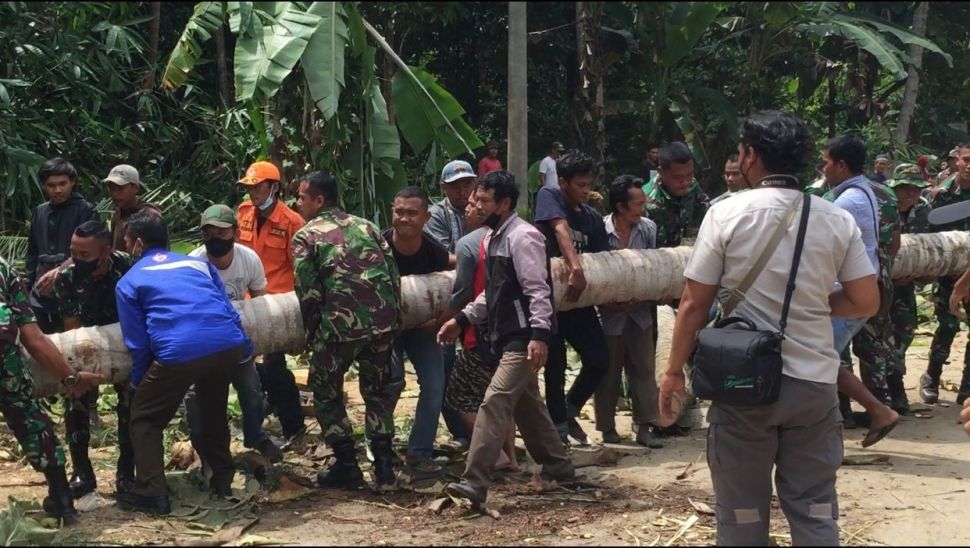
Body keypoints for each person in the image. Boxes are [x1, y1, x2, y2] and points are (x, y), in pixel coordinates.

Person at [659, 110, 879, 546]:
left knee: (741, 514)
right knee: (816, 511)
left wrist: (671, 372)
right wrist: (811, 306)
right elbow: (865, 301)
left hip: (742, 385)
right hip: (814, 387)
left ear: (751, 156)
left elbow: (693, 304)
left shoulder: (725, 214)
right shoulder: (837, 219)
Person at [438, 170, 575, 505]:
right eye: (476, 200)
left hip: (524, 337)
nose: (477, 206)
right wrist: (462, 318)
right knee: (529, 409)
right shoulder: (492, 237)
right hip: (506, 337)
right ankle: (560, 468)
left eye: (484, 201)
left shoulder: (522, 237)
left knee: (495, 400)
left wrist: (540, 335)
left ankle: (475, 481)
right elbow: (492, 294)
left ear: (504, 203)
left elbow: (538, 291)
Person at [115, 212, 252, 515]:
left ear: (138, 244)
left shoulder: (129, 281)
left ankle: (152, 492)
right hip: (226, 345)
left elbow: (137, 343)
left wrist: (138, 384)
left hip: (179, 352)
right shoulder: (199, 264)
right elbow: (227, 309)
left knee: (144, 419)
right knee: (213, 410)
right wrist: (244, 348)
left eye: (126, 242)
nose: (126, 248)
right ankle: (222, 479)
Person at [291, 171, 401, 491]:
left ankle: (347, 465)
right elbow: (392, 273)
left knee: (325, 390)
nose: (298, 203)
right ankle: (383, 470)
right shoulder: (366, 225)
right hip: (382, 322)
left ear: (319, 200)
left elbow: (308, 293)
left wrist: (313, 335)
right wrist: (393, 319)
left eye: (301, 197)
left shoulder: (306, 236)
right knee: (377, 391)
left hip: (340, 327)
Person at [1, 254, 102, 524]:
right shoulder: (2, 269)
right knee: (33, 425)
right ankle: (62, 500)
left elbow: (34, 339)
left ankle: (62, 500)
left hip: (7, 373)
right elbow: (33, 338)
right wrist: (70, 378)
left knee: (32, 424)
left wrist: (70, 377)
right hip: (7, 371)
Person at [185, 205, 283, 463]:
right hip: (204, 343)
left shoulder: (249, 259)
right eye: (209, 233)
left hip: (238, 340)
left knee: (251, 389)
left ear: (235, 233)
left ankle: (255, 436)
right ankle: (207, 451)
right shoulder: (195, 264)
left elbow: (261, 304)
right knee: (199, 399)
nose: (215, 238)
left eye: (221, 232)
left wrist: (257, 345)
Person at [820, 135, 899, 443]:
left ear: (841, 164)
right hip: (859, 290)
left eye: (826, 162)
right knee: (823, 358)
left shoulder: (847, 202)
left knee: (819, 360)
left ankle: (874, 413)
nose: (823, 169)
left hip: (848, 295)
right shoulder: (863, 191)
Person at [52, 221, 135, 498]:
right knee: (75, 404)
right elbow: (72, 330)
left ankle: (127, 474)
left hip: (125, 345)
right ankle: (82, 473)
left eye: (84, 255)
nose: (76, 260)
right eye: (73, 253)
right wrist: (77, 373)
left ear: (106, 251)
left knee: (130, 410)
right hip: (85, 347)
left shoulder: (129, 268)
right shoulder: (66, 278)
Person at [534, 150, 611, 446]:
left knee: (599, 359)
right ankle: (558, 432)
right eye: (580, 185)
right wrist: (574, 266)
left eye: (589, 183)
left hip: (578, 301)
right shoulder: (548, 196)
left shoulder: (591, 217)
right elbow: (559, 227)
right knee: (555, 368)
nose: (586, 190)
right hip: (551, 300)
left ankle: (570, 407)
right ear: (563, 183)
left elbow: (605, 261)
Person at [442, 191, 518, 472]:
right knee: (499, 400)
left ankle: (495, 454)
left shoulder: (467, 244)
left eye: (476, 204)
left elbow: (462, 293)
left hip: (478, 331)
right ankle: (510, 457)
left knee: (460, 396)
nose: (469, 209)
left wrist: (445, 320)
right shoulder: (513, 235)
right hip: (509, 331)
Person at [235, 161, 307, 445]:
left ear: (273, 187)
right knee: (247, 364)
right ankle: (269, 405)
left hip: (277, 306)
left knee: (274, 366)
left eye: (257, 187)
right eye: (248, 187)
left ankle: (293, 425)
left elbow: (300, 269)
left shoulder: (292, 222)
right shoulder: (243, 214)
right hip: (247, 303)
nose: (252, 192)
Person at [383, 186, 451, 475]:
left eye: (412, 213)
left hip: (423, 330)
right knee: (389, 384)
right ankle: (380, 449)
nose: (404, 218)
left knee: (435, 387)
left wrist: (441, 319)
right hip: (385, 331)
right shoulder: (378, 248)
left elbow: (457, 278)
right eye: (399, 212)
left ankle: (419, 453)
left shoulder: (434, 252)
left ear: (426, 216)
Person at [593, 175, 662, 448]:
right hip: (608, 315)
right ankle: (608, 427)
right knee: (608, 372)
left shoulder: (648, 229)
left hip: (640, 312)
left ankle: (645, 426)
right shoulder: (600, 230)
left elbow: (656, 267)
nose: (642, 209)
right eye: (637, 204)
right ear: (620, 207)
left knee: (644, 369)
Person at [424, 160, 476, 449]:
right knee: (445, 367)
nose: (463, 191)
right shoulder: (437, 215)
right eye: (456, 186)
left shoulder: (482, 209)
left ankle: (471, 430)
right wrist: (475, 256)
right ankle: (461, 431)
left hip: (474, 297)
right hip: (445, 299)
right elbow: (443, 256)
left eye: (467, 184)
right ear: (444, 188)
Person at [921, 143, 970, 405]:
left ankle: (967, 386)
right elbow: (924, 237)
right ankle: (931, 376)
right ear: (957, 161)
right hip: (947, 276)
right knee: (948, 326)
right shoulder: (939, 196)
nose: (969, 165)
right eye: (966, 159)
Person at [26, 157, 97, 334]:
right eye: (51, 185)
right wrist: (28, 288)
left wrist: (59, 272)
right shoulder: (39, 212)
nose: (57, 190)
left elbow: (92, 251)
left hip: (75, 292)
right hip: (40, 295)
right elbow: (32, 253)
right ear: (43, 185)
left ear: (72, 182)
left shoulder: (86, 210)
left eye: (62, 183)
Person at [887, 164, 933, 413]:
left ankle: (896, 389)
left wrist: (923, 274)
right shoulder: (884, 207)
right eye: (906, 189)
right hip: (879, 284)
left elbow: (927, 246)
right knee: (877, 338)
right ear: (896, 188)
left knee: (904, 333)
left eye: (916, 190)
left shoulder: (924, 209)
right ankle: (885, 392)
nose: (911, 195)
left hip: (906, 284)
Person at [642, 141, 709, 249]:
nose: (686, 182)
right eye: (678, 178)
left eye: (690, 174)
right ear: (661, 172)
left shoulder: (693, 185)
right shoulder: (645, 199)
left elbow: (705, 217)